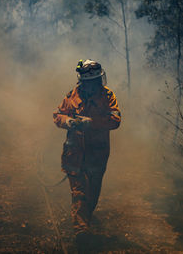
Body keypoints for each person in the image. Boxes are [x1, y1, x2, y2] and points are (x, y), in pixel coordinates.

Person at [53, 59, 121, 246]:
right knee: (79, 192)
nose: (94, 85)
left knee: (92, 193)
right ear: (84, 81)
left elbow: (115, 120)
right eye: (91, 82)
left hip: (97, 154)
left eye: (96, 81)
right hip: (74, 152)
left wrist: (91, 122)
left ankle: (84, 221)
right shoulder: (72, 95)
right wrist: (69, 122)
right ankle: (81, 232)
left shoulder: (107, 96)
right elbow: (58, 115)